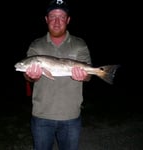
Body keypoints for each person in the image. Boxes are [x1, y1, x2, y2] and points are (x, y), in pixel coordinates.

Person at [22, 0, 92, 149]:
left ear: (68, 20)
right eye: (53, 16)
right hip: (41, 115)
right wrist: (31, 76)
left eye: (62, 16)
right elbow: (28, 77)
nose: (57, 21)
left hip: (71, 115)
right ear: (46, 19)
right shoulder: (36, 45)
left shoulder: (80, 44)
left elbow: (89, 75)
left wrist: (84, 75)